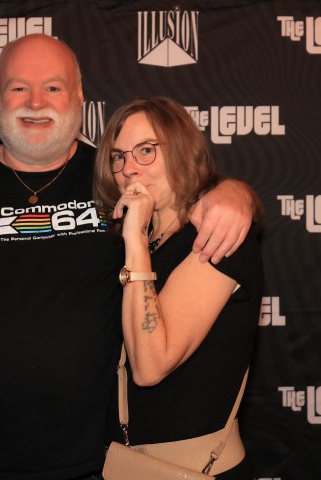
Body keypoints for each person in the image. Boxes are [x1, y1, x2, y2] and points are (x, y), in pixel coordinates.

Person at [0, 34, 259, 480]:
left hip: (97, 462)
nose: (36, 101)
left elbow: (183, 187)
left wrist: (235, 194)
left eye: (53, 87)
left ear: (78, 98)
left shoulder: (112, 180)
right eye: (19, 87)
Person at [93, 97, 263, 479]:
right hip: (125, 464)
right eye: (118, 156)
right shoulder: (139, 244)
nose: (128, 168)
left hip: (194, 469)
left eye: (146, 150)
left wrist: (134, 237)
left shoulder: (214, 236)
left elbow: (150, 366)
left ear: (182, 151)